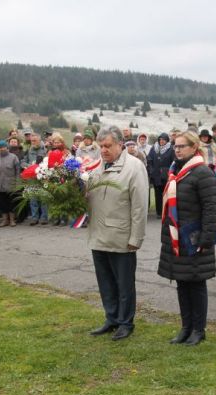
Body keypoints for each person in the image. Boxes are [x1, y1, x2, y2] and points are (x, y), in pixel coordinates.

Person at [87, 126, 149, 341]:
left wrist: (136, 238)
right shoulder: (96, 166)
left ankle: (125, 322)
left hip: (121, 237)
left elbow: (140, 206)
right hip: (98, 234)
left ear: (120, 144)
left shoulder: (134, 167)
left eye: (107, 146)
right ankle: (111, 318)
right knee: (105, 282)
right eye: (100, 146)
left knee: (124, 284)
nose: (103, 150)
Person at [158, 130, 216, 345]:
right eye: (175, 146)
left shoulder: (202, 173)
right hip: (177, 238)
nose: (177, 149)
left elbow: (211, 208)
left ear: (194, 148)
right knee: (182, 283)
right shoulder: (177, 170)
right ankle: (186, 327)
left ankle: (198, 330)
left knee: (196, 284)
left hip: (194, 238)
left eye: (182, 146)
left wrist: (205, 237)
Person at [0, 140, 20, 227]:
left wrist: (17, 184)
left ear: (7, 147)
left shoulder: (14, 157)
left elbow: (18, 172)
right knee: (1, 203)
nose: (3, 149)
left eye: (4, 147)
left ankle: (12, 220)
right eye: (1, 147)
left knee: (11, 203)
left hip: (11, 184)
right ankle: (5, 220)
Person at [21, 133, 48, 225]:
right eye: (32, 140)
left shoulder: (45, 150)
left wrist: (41, 167)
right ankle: (34, 218)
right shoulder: (28, 150)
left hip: (43, 177)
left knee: (43, 198)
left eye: (35, 140)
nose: (33, 142)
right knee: (33, 198)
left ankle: (44, 218)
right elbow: (23, 162)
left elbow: (49, 162)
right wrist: (30, 166)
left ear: (39, 140)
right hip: (31, 177)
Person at [146, 132, 174, 218]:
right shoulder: (154, 148)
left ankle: (167, 212)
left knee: (167, 194)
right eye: (160, 139)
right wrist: (151, 170)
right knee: (157, 195)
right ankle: (159, 212)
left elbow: (173, 162)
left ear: (167, 140)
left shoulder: (171, 149)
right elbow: (149, 160)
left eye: (163, 139)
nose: (161, 141)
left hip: (166, 176)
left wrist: (170, 171)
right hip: (156, 175)